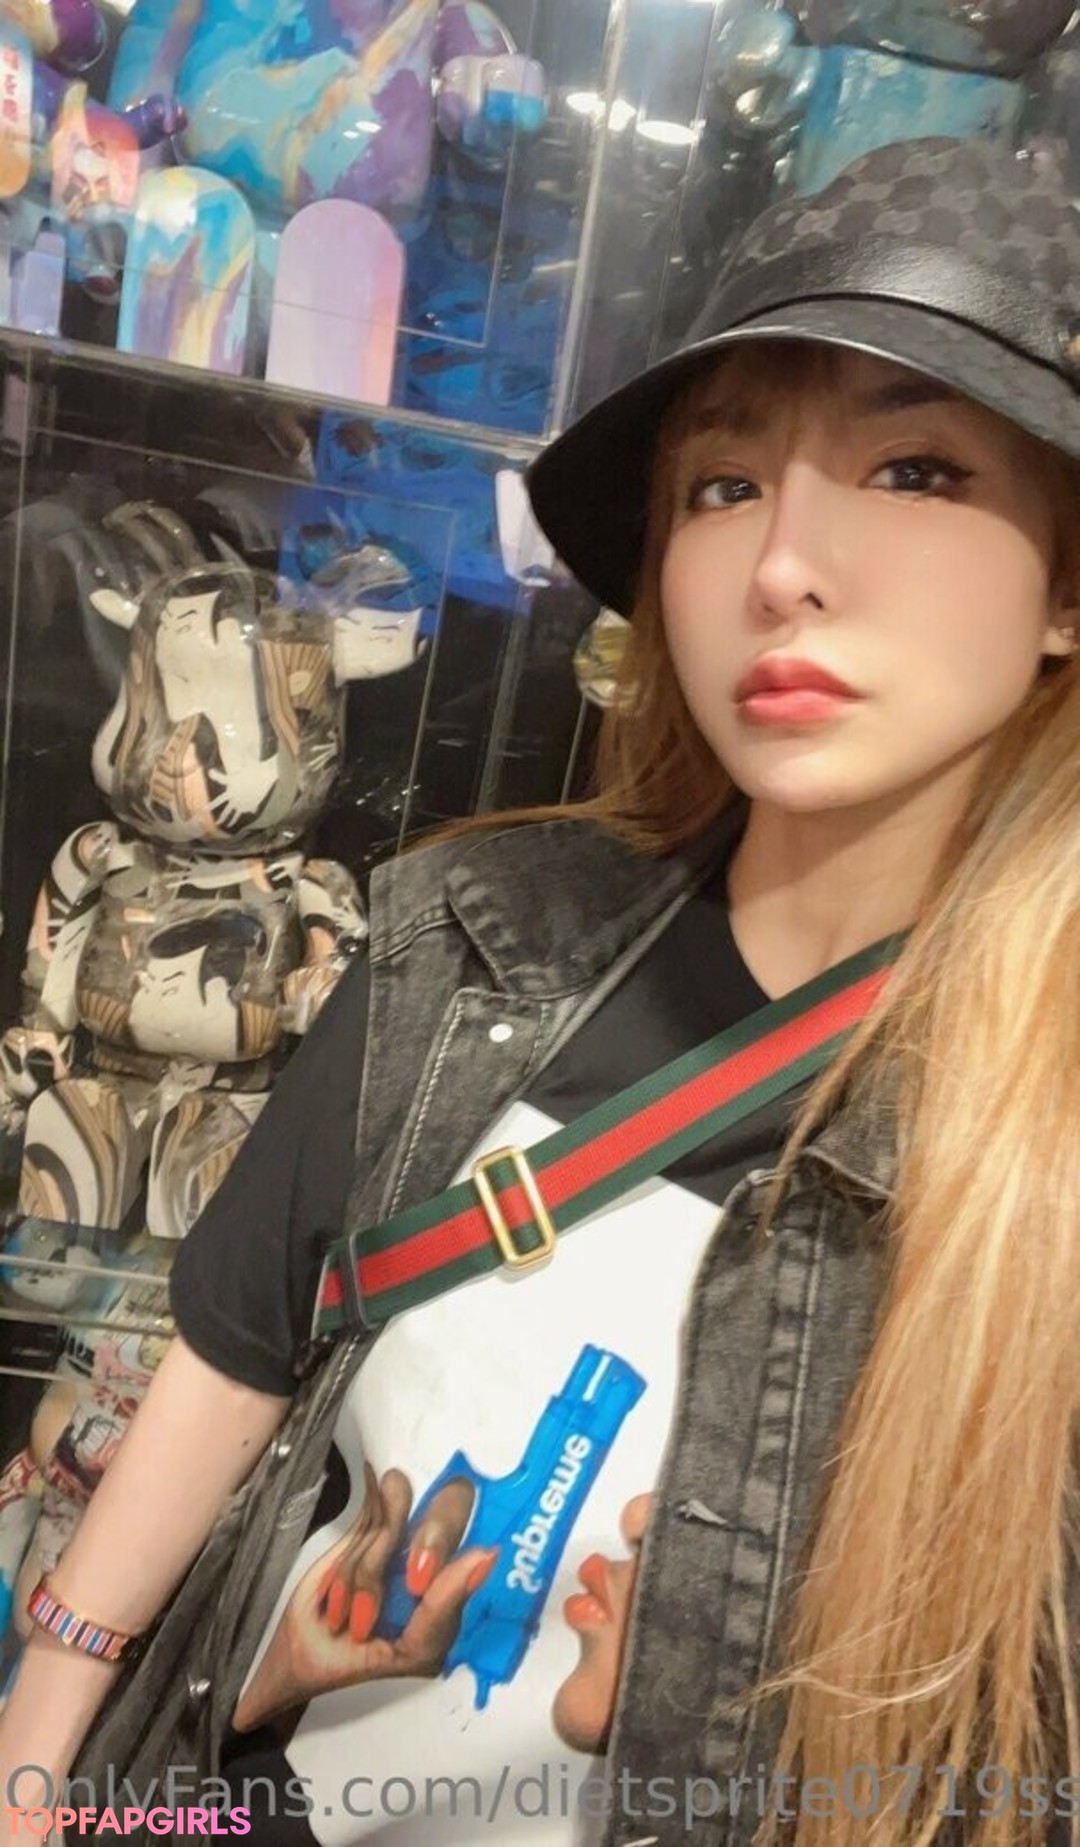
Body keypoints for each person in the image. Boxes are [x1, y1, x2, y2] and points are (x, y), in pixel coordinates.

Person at [2, 130, 1080, 1847]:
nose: (783, 566)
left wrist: (716, 1752)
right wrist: (43, 1754)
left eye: (917, 470)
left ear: (1067, 582)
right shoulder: (476, 932)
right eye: (722, 486)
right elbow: (235, 1346)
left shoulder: (1043, 1159)